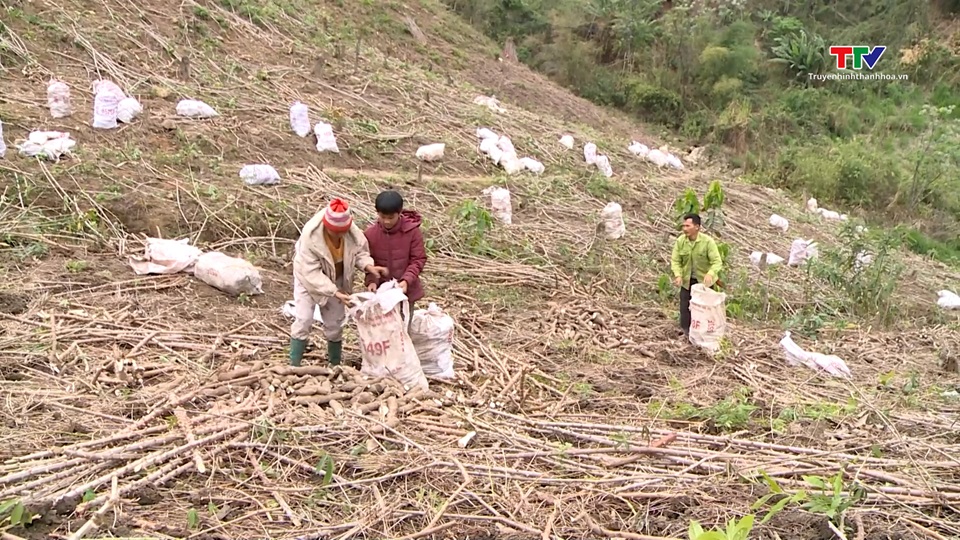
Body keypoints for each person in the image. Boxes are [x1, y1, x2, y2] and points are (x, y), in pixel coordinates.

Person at [289, 198, 387, 367]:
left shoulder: (352, 232)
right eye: (335, 232)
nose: (339, 235)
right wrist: (335, 292)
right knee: (304, 320)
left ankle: (335, 365)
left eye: (342, 232)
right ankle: (293, 364)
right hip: (307, 278)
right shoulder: (310, 238)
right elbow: (311, 273)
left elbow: (359, 252)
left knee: (335, 323)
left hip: (337, 275)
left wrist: (368, 266)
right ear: (327, 227)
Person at [364, 190, 427, 330]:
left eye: (391, 217)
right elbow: (369, 262)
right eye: (382, 216)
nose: (386, 221)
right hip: (381, 294)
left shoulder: (412, 232)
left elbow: (418, 259)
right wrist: (372, 281)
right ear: (377, 213)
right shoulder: (370, 234)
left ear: (399, 213)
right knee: (383, 332)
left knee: (403, 331)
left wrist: (406, 280)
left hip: (406, 292)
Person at [670, 213, 723, 337]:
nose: (685, 229)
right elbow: (675, 260)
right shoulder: (681, 241)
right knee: (685, 308)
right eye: (683, 226)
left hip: (704, 283)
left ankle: (704, 334)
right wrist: (678, 275)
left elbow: (717, 261)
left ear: (697, 227)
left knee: (704, 310)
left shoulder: (707, 242)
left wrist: (710, 274)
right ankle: (686, 332)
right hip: (687, 280)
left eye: (688, 226)